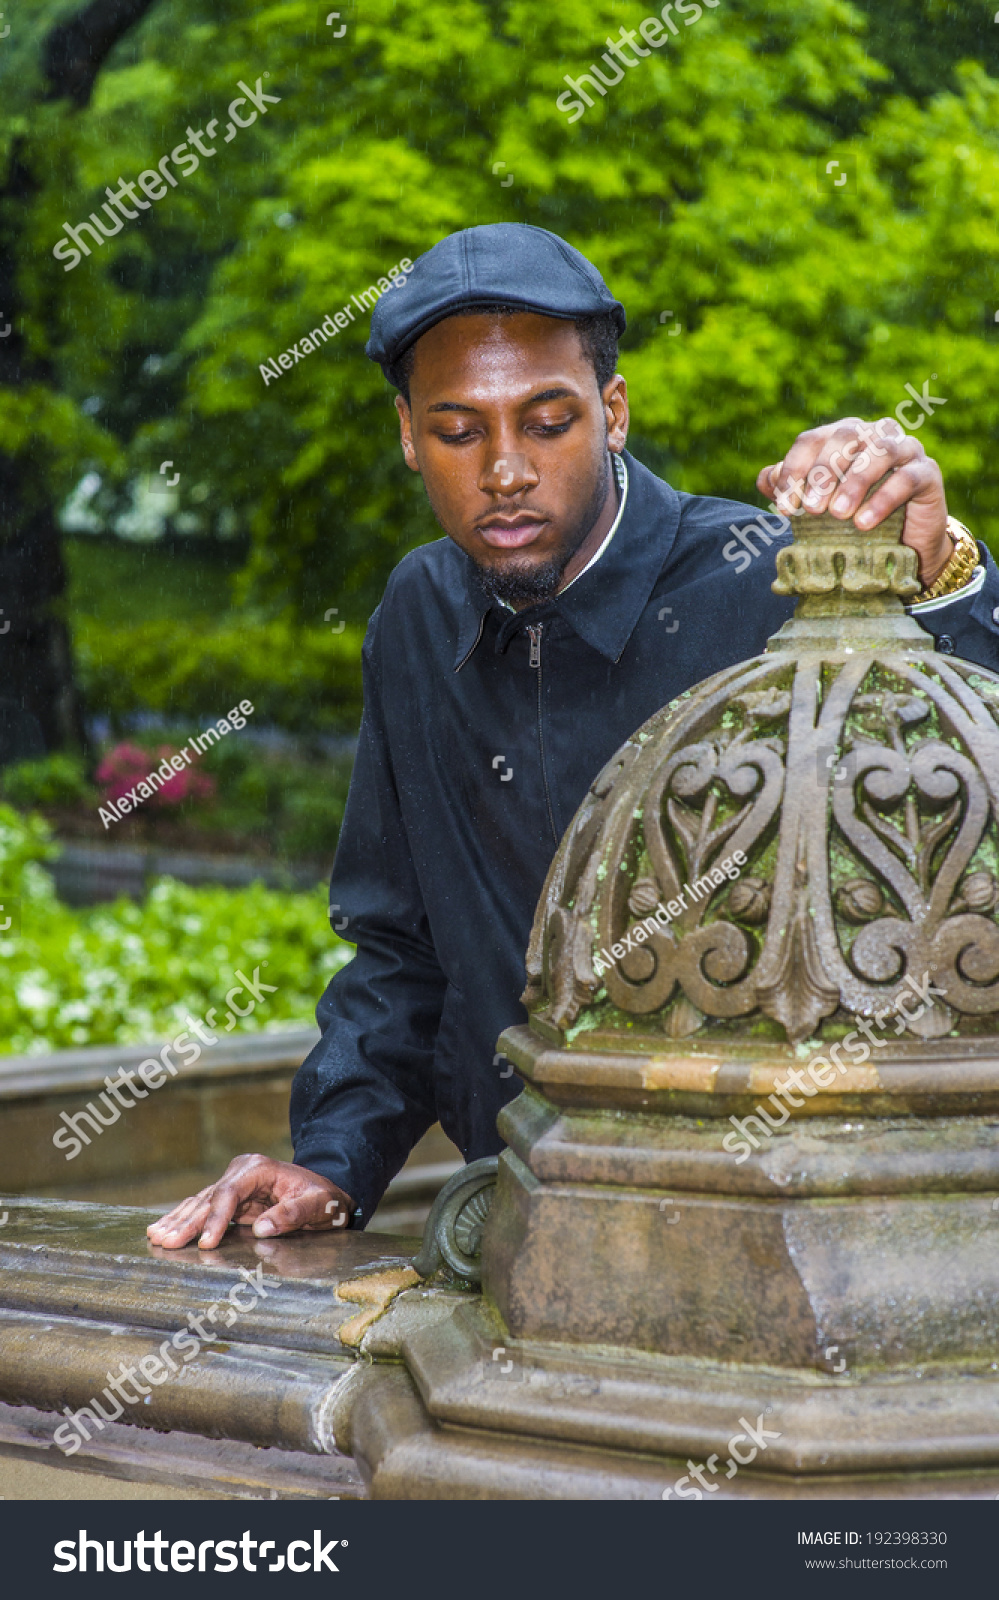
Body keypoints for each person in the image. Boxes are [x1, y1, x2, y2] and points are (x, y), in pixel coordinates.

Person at [148, 223, 999, 1250]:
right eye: (459, 432)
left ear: (614, 412)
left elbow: (957, 801)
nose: (505, 469)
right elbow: (403, 951)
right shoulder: (416, 613)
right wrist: (331, 1159)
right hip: (515, 1224)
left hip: (782, 1227)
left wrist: (945, 575)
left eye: (548, 421)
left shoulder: (766, 581)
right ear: (408, 437)